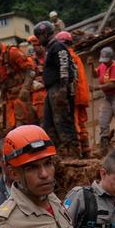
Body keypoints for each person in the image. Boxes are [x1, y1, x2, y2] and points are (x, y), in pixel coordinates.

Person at [34, 21, 78, 154]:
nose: (38, 40)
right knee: (48, 123)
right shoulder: (50, 49)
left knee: (63, 121)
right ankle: (58, 152)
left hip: (59, 88)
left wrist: (63, 90)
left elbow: (64, 67)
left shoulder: (58, 46)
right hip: (52, 90)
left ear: (45, 34)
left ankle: (73, 152)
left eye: (39, 36)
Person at [0, 29, 35, 131]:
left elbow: (30, 70)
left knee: (22, 127)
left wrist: (25, 89)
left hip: (20, 96)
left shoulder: (12, 52)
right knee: (10, 128)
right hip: (9, 99)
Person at [56, 31, 90, 157]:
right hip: (82, 95)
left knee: (74, 123)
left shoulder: (66, 58)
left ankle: (78, 152)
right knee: (82, 123)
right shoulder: (76, 57)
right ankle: (86, 150)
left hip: (74, 95)